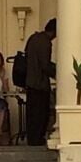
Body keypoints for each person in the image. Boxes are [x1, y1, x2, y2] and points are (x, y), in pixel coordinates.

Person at [21, 17, 55, 145]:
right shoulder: (46, 43)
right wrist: (57, 72)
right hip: (40, 84)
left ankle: (32, 139)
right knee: (41, 114)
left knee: (32, 113)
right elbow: (45, 65)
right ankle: (38, 139)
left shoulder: (33, 38)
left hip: (30, 82)